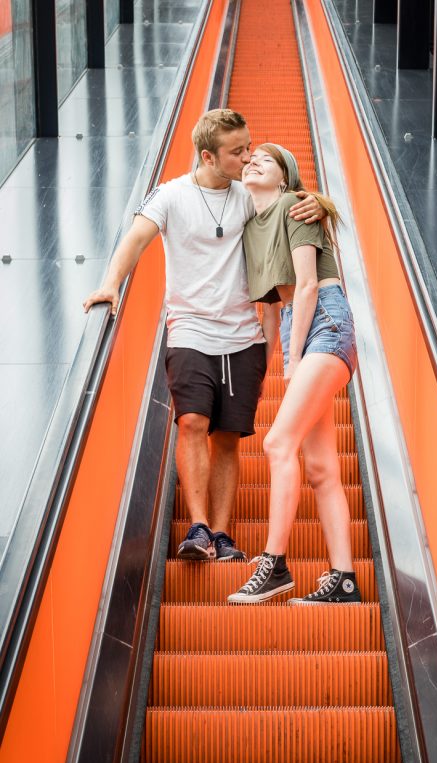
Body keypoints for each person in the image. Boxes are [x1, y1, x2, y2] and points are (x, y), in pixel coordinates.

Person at [82, 110, 323, 562]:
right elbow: (135, 239)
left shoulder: (247, 193)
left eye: (249, 146)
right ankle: (197, 528)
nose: (248, 157)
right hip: (189, 329)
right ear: (208, 156)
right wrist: (111, 283)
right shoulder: (172, 196)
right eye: (238, 152)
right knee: (191, 422)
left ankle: (221, 533)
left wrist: (313, 201)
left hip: (243, 337)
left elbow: (287, 202)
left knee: (228, 436)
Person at [227, 143, 361, 604]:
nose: (255, 161)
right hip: (297, 324)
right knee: (322, 467)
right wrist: (269, 366)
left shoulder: (292, 205)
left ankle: (274, 564)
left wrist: (294, 357)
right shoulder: (250, 225)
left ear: (285, 178)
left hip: (323, 319)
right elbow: (272, 308)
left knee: (277, 443)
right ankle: (344, 579)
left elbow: (305, 285)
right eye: (251, 158)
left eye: (268, 159)